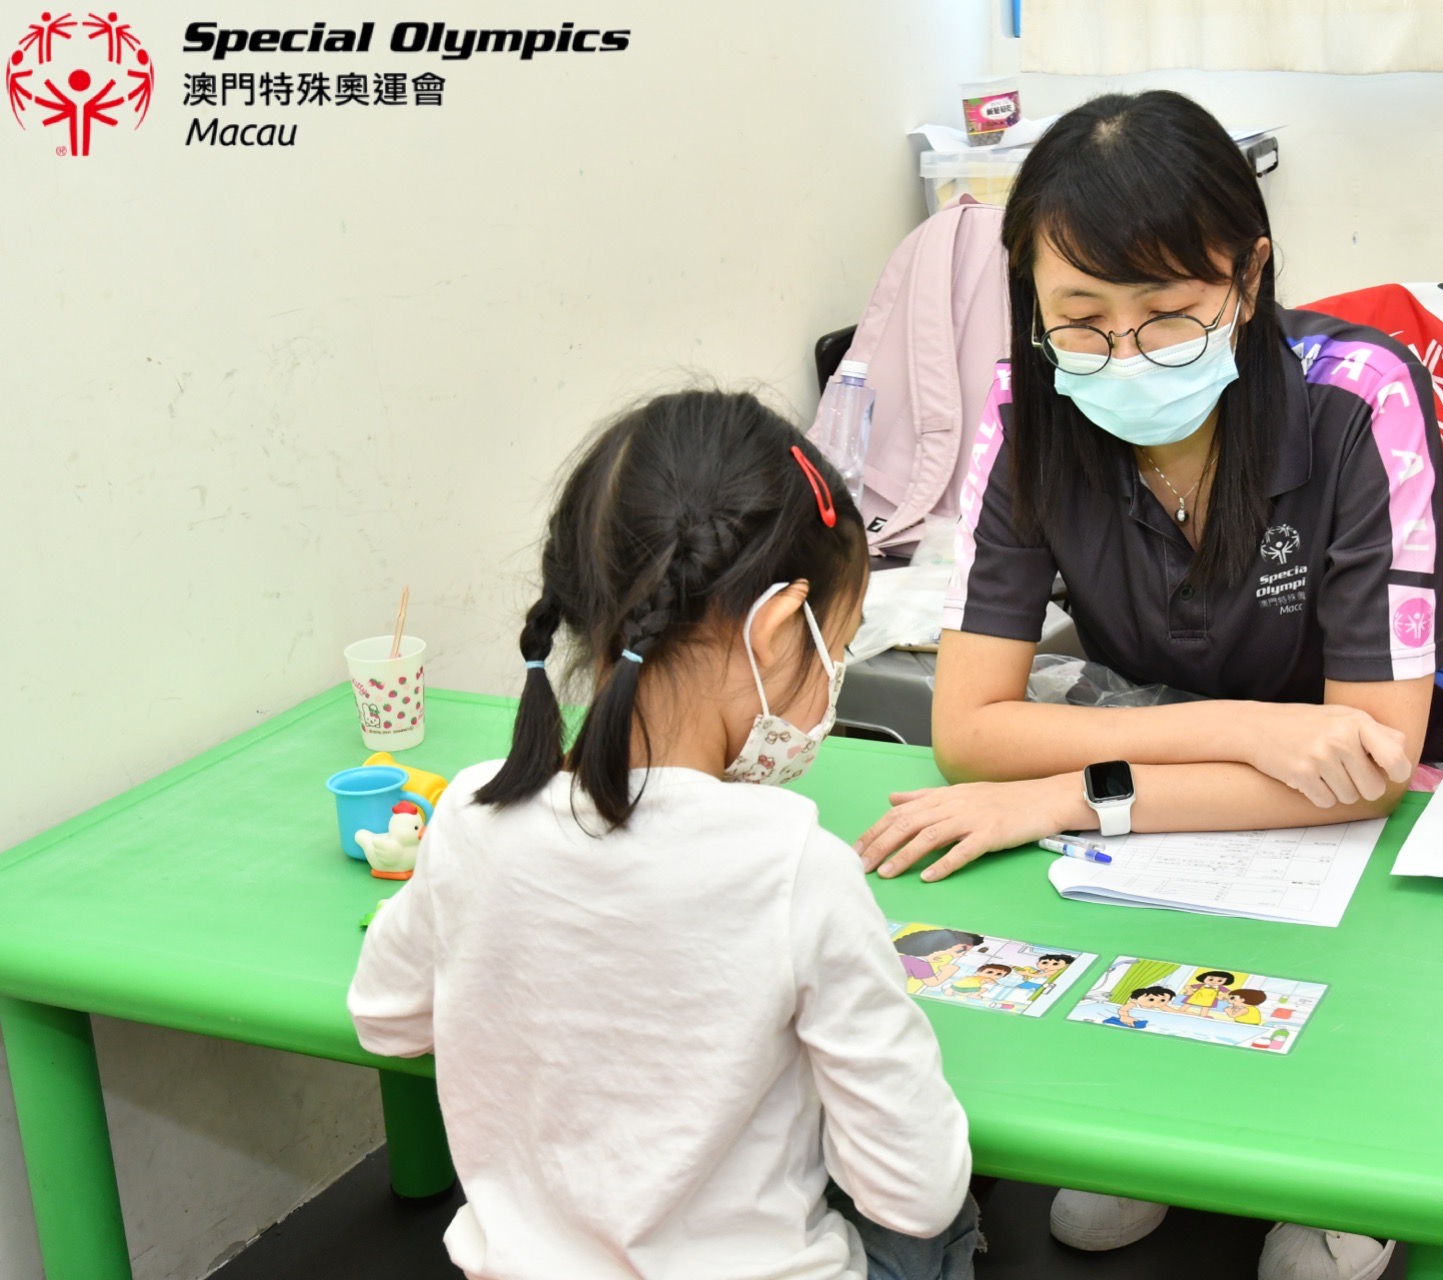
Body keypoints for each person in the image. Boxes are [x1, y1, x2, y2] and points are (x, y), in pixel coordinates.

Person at [853, 91, 1443, 1280]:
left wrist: (1070, 794)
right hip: (1194, 770)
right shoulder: (1028, 414)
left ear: (1247, 277)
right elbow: (968, 725)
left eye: (1167, 315)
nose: (1123, 354)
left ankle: (1346, 1138)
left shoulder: (1359, 398)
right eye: (1081, 318)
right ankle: (1167, 1118)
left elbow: (1370, 761)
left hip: (1400, 798)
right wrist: (1255, 731)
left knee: (1361, 1077)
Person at [348, 391, 977, 1280]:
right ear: (774, 630)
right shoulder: (796, 866)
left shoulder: (472, 815)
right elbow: (915, 1192)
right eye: (836, 646)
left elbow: (385, 1020)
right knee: (943, 1217)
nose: (834, 675)